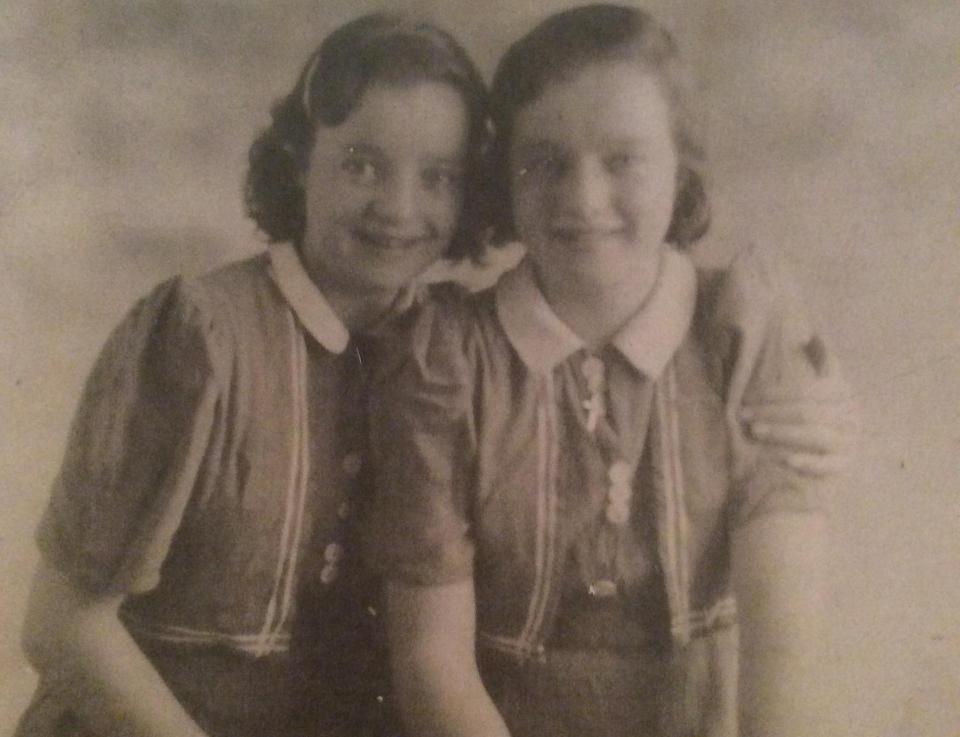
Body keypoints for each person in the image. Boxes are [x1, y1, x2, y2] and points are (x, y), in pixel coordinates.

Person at [365, 5, 857, 737]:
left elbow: (783, 666)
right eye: (546, 161)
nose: (583, 198)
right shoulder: (447, 358)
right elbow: (433, 666)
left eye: (622, 159)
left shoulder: (745, 331)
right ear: (503, 173)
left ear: (678, 164)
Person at [15, 13, 490, 737]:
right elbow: (59, 624)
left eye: (437, 178)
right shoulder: (200, 336)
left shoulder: (448, 350)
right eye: (361, 163)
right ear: (300, 161)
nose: (399, 208)